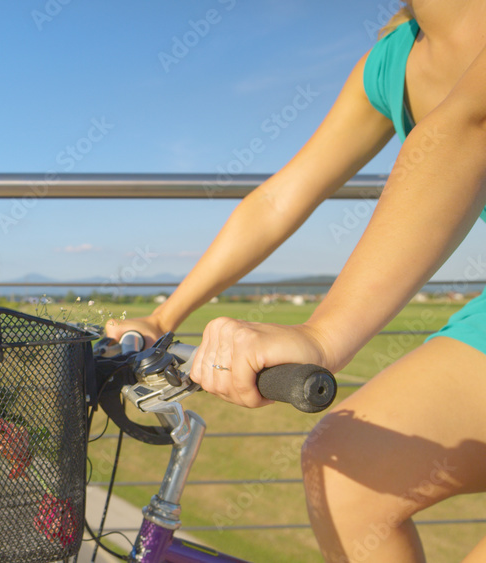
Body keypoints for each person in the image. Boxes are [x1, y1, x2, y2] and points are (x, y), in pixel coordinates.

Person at [106, 3, 486, 561]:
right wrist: (165, 316)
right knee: (345, 473)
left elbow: (467, 125)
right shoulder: (392, 64)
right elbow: (281, 198)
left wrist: (323, 336)